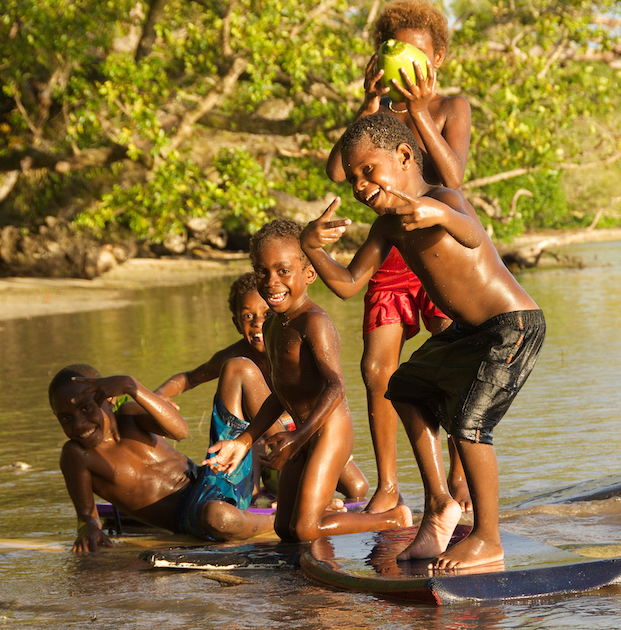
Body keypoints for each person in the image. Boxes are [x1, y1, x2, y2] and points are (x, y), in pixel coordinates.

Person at [300, 113, 545, 569]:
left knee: (469, 426)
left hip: (512, 325)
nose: (359, 184)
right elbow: (351, 283)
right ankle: (438, 506)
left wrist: (440, 213)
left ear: (405, 156)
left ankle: (488, 539)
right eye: (352, 178)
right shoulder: (387, 228)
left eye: (367, 170)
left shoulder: (442, 197)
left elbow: (473, 237)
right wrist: (311, 245)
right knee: (404, 387)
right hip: (468, 334)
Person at [325, 0, 472, 514]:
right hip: (391, 254)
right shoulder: (377, 117)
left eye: (420, 55)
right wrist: (369, 106)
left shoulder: (452, 106)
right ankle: (388, 488)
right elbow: (338, 173)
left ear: (438, 61)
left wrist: (417, 111)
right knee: (374, 368)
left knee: (454, 356)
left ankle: (459, 477)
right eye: (398, 54)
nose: (409, 64)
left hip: (438, 248)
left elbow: (452, 179)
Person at [203, 219, 412, 542]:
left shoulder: (314, 323)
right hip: (301, 434)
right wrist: (243, 442)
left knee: (305, 528)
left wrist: (298, 437)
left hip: (329, 431)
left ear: (309, 274)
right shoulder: (272, 327)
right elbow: (280, 395)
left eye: (284, 271)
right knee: (283, 528)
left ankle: (392, 519)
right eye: (262, 272)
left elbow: (336, 387)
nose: (272, 282)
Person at [155, 272, 369, 502]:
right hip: (268, 445)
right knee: (243, 372)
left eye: (266, 314)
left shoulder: (291, 341)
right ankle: (255, 492)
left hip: (306, 431)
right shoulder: (236, 356)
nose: (258, 323)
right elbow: (191, 377)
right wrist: (158, 395)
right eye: (248, 316)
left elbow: (333, 387)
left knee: (358, 489)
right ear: (237, 323)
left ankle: (315, 500)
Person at [50, 364, 273, 552]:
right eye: (66, 418)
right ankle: (278, 521)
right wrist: (89, 528)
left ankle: (290, 449)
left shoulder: (129, 414)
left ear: (109, 399)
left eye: (87, 408)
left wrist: (132, 386)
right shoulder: (77, 455)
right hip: (193, 515)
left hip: (217, 471)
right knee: (219, 517)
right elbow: (86, 516)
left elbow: (181, 431)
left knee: (238, 367)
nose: (78, 424)